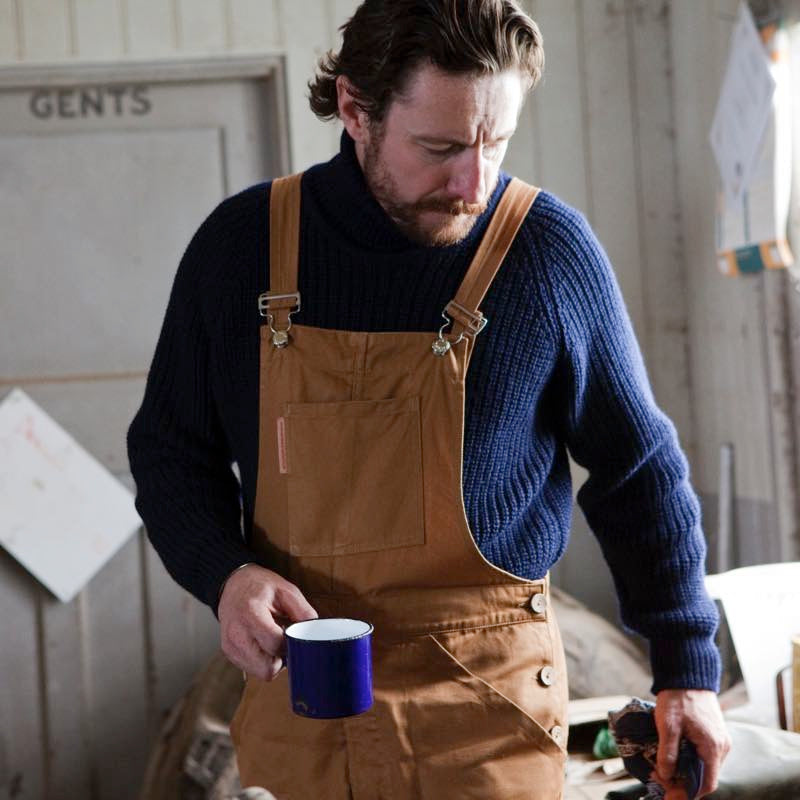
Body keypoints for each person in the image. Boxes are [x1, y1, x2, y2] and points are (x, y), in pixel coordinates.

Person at [127, 1, 731, 797]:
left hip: (488, 717)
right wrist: (225, 574)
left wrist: (687, 671)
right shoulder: (240, 249)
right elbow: (169, 453)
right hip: (304, 709)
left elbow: (639, 469)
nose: (472, 182)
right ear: (355, 109)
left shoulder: (546, 254)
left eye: (496, 141)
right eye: (440, 147)